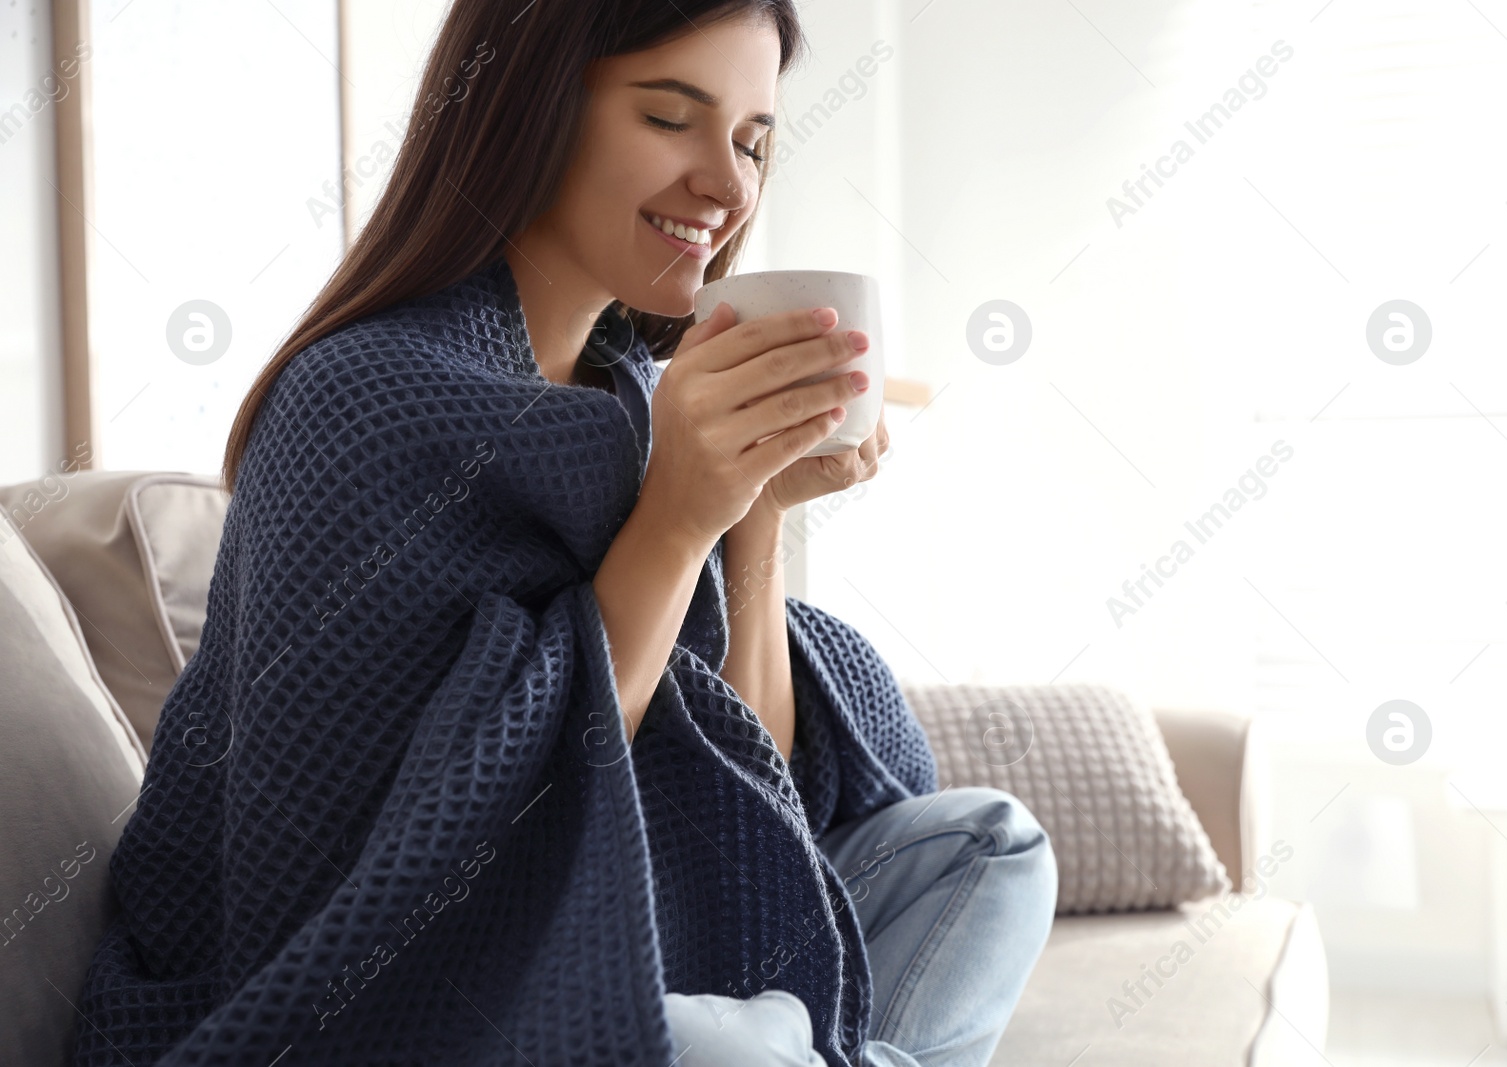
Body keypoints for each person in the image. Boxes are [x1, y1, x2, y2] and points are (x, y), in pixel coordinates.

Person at [70, 3, 1056, 1065]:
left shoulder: (635, 393)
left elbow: (753, 772)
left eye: (752, 142)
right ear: (529, 106)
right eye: (672, 118)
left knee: (990, 847)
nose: (727, 186)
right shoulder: (358, 402)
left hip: (638, 917)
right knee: (734, 1051)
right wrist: (676, 516)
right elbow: (444, 859)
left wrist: (752, 509)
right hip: (422, 993)